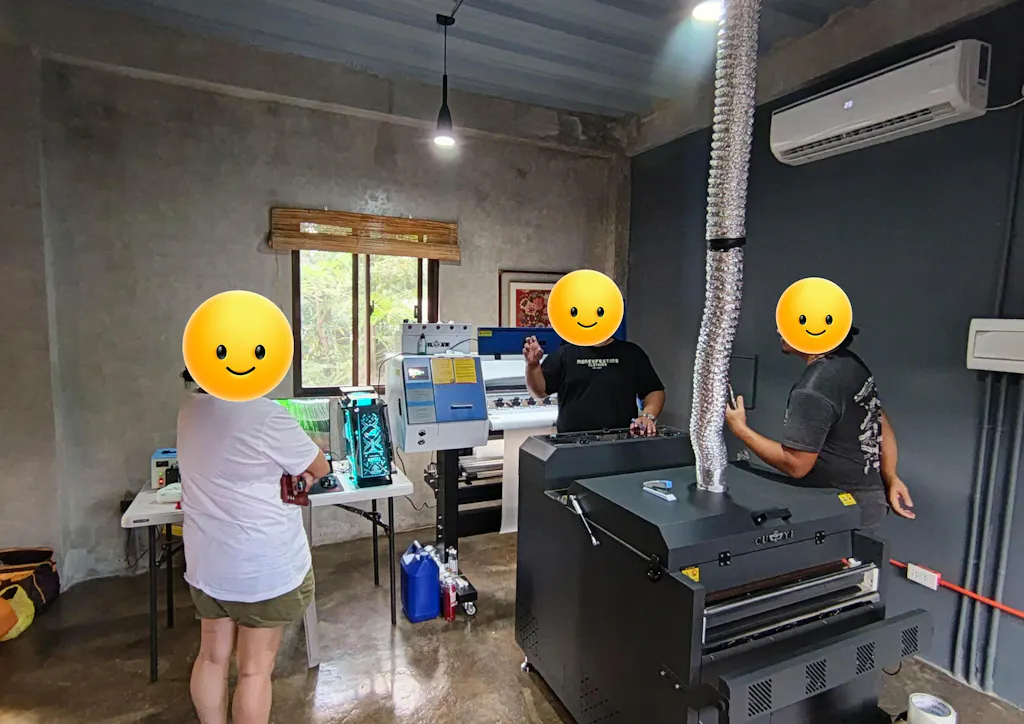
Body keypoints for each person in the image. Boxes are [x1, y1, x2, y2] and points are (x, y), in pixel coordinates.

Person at [177, 370, 330, 724]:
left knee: (211, 657)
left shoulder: (190, 409)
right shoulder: (265, 415)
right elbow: (319, 465)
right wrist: (303, 473)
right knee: (254, 671)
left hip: (207, 564)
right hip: (260, 568)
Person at [724, 328, 915, 530]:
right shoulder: (851, 363)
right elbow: (878, 418)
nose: (780, 330)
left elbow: (796, 465)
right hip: (871, 499)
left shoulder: (811, 391)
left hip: (843, 509)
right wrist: (890, 477)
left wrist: (740, 429)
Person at [523, 335, 666, 435]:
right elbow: (539, 392)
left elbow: (654, 390)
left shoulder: (631, 353)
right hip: (572, 444)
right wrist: (533, 365)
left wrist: (648, 416)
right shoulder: (564, 354)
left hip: (621, 443)